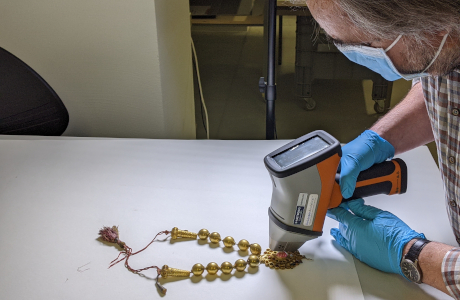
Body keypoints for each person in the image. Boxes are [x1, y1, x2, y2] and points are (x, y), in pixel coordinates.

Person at [305, 0, 460, 297]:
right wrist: (380, 138)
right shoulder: (443, 41)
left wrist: (414, 255)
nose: (356, 56)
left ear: (432, 24)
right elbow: (442, 77)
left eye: (366, 45)